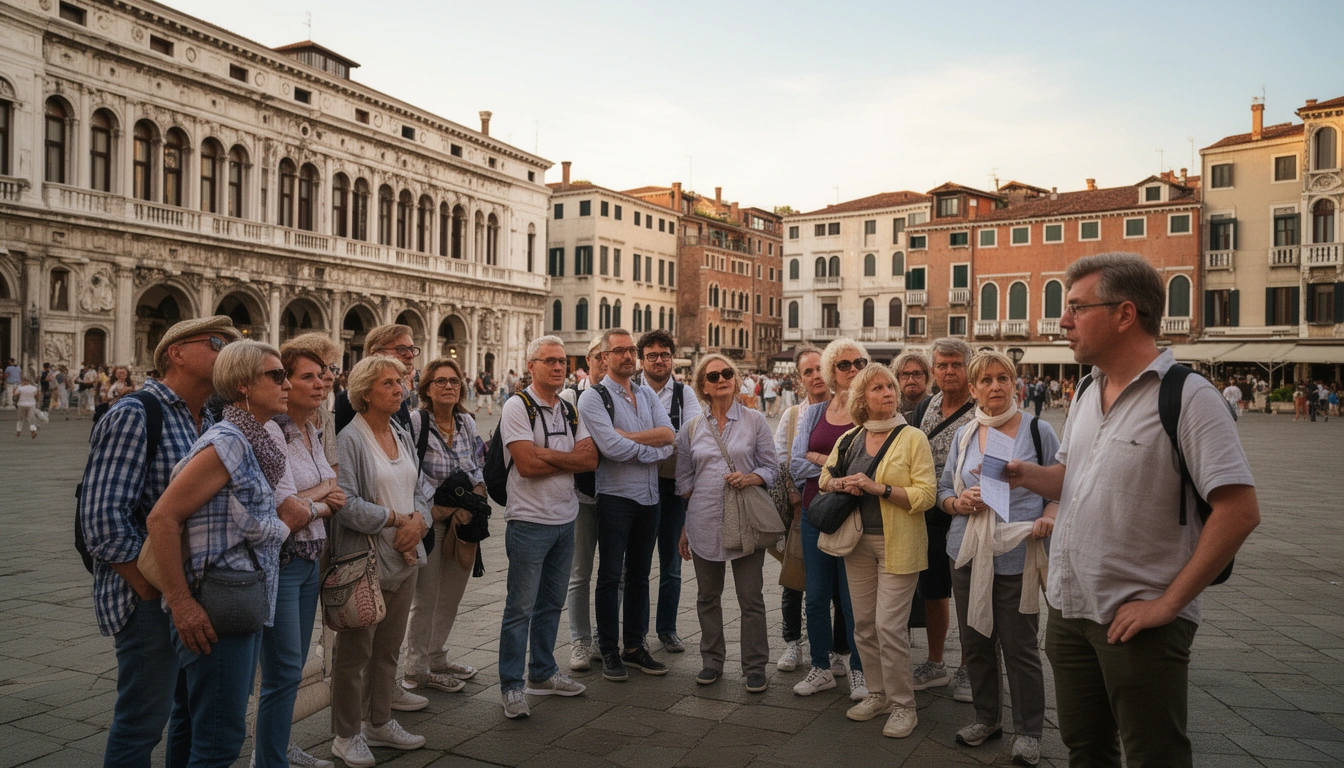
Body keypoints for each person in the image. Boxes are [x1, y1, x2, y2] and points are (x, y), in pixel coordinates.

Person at [1005, 253, 1259, 768]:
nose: (1062, 321)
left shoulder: (1190, 397)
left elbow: (1239, 510)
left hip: (1138, 621)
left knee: (1154, 756)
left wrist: (1167, 605)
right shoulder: (1085, 391)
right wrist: (1021, 473)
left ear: (1125, 314)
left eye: (1076, 307)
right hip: (1070, 608)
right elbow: (1071, 477)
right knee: (1085, 749)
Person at [79, 316, 240, 768]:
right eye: (215, 343)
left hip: (194, 591)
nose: (225, 350)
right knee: (141, 722)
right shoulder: (135, 412)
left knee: (189, 714)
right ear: (176, 353)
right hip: (148, 596)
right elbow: (103, 520)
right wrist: (161, 590)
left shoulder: (212, 417)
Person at [146, 340, 308, 767]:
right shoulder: (229, 441)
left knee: (193, 725)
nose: (287, 384)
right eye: (276, 375)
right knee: (219, 739)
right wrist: (181, 605)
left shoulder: (248, 441)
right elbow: (162, 519)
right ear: (242, 386)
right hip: (220, 602)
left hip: (233, 596)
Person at [939, 351, 1059, 766]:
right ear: (972, 389)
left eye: (1002, 378)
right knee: (976, 642)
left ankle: (1028, 731)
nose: (995, 386)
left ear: (1015, 384)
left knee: (1019, 645)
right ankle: (986, 718)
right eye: (986, 380)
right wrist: (959, 501)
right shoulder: (965, 434)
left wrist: (1048, 516)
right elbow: (942, 492)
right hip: (967, 551)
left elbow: (1063, 488)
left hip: (1015, 551)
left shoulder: (1039, 431)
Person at [820, 364, 936, 738]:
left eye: (890, 386)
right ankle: (877, 694)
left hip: (898, 544)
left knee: (889, 627)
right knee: (864, 626)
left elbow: (927, 495)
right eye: (877, 388)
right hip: (857, 544)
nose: (888, 392)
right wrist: (844, 483)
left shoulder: (913, 437)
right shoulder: (851, 437)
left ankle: (904, 705)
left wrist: (880, 489)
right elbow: (825, 480)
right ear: (862, 399)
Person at [330, 356, 432, 766]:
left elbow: (418, 484)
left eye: (401, 382)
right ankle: (346, 733)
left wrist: (419, 520)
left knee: (389, 647)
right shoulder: (350, 439)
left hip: (406, 554)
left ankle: (380, 720)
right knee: (355, 654)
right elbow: (345, 503)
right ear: (365, 393)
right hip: (366, 558)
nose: (400, 388)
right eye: (388, 383)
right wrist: (394, 519)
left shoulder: (399, 432)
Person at [255, 341, 347, 768]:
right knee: (284, 668)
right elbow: (287, 508)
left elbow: (334, 488)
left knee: (289, 668)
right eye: (307, 376)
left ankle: (274, 747)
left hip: (311, 557)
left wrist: (316, 499)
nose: (322, 382)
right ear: (283, 382)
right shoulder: (273, 431)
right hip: (284, 561)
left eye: (323, 373)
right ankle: (269, 757)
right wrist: (321, 498)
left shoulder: (313, 427)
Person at [497, 336, 598, 718]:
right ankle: (511, 685)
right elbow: (526, 465)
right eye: (549, 361)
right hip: (528, 519)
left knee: (552, 604)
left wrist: (547, 454)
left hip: (565, 517)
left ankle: (541, 673)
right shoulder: (516, 406)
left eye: (562, 361)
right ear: (531, 366)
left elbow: (590, 461)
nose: (558, 367)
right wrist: (566, 457)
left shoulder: (570, 407)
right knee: (519, 607)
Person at [578, 328, 675, 682]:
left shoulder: (647, 395)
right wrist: (646, 448)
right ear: (603, 357)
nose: (627, 356)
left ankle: (634, 647)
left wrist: (628, 438)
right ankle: (608, 650)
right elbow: (610, 449)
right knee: (609, 576)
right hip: (616, 497)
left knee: (639, 577)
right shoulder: (593, 398)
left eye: (630, 350)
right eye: (618, 351)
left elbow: (669, 439)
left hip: (650, 498)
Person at [675, 353, 776, 692]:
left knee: (751, 597)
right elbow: (685, 483)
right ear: (703, 385)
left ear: (735, 379)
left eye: (727, 373)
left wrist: (750, 477)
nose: (722, 379)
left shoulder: (755, 421)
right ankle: (712, 661)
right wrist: (686, 527)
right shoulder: (691, 427)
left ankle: (755, 666)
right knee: (707, 596)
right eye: (714, 375)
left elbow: (772, 469)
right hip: (703, 520)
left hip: (745, 519)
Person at [789, 338, 870, 701]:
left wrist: (819, 459)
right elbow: (794, 463)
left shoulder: (869, 413)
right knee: (817, 597)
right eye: (844, 364)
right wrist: (836, 469)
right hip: (813, 513)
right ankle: (821, 667)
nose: (853, 369)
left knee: (853, 601)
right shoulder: (813, 413)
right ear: (830, 372)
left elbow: (868, 465)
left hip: (856, 516)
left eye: (859, 363)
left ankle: (858, 670)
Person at [402, 358, 486, 695]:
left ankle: (437, 657)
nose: (449, 386)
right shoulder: (416, 422)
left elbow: (479, 464)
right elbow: (411, 472)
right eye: (440, 381)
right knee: (425, 597)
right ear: (426, 389)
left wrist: (475, 496)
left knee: (451, 594)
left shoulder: (467, 422)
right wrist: (435, 510)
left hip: (463, 521)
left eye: (454, 381)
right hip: (432, 521)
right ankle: (415, 668)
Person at [774, 346, 853, 673]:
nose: (815, 375)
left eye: (818, 368)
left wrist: (817, 463)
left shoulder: (849, 409)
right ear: (801, 378)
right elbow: (786, 462)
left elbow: (857, 466)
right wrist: (796, 491)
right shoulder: (796, 415)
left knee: (840, 590)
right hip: (802, 508)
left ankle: (840, 651)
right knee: (797, 581)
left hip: (841, 511)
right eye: (807, 372)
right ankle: (794, 643)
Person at [908, 337, 977, 699]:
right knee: (934, 592)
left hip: (968, 516)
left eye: (956, 364)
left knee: (968, 594)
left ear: (968, 368)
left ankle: (969, 667)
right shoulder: (926, 406)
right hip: (929, 515)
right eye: (942, 365)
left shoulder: (981, 408)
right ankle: (936, 663)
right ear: (933, 370)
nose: (949, 371)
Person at [634, 329, 702, 654]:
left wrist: (645, 439)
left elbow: (688, 438)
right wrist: (663, 438)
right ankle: (637, 632)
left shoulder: (685, 394)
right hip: (640, 486)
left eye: (664, 355)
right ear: (642, 360)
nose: (659, 360)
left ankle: (667, 629)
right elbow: (669, 438)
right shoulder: (630, 392)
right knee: (638, 563)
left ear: (671, 358)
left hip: (675, 487)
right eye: (652, 355)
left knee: (672, 563)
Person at [560, 336, 606, 672]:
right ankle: (580, 640)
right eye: (599, 356)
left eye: (611, 355)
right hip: (581, 495)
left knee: (614, 573)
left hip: (618, 494)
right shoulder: (569, 397)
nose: (605, 362)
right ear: (587, 360)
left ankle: (607, 638)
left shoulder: (626, 395)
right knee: (580, 573)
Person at [333, 324, 419, 434]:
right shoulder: (351, 400)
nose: (410, 355)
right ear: (376, 354)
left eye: (412, 349)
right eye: (402, 349)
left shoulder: (399, 395)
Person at [892, 351, 930, 419]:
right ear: (897, 378)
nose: (911, 380)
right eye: (905, 374)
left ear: (927, 377)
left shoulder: (936, 407)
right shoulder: (890, 411)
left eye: (917, 374)